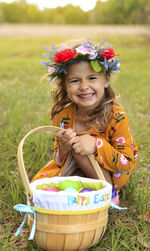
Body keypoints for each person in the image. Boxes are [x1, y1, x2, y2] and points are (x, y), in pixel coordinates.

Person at [32, 39, 138, 203]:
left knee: (78, 148)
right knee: (43, 186)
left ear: (106, 80)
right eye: (75, 80)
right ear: (65, 86)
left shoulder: (116, 117)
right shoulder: (64, 116)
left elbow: (126, 164)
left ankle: (109, 194)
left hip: (112, 173)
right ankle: (76, 196)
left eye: (92, 78)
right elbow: (59, 159)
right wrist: (64, 147)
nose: (83, 86)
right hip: (76, 166)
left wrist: (96, 145)